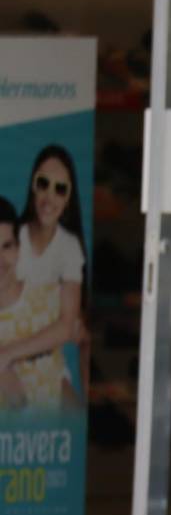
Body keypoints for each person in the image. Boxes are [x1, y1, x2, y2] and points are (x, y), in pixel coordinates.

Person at [8, 145, 87, 391]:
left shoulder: (70, 247)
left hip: (46, 366)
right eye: (43, 183)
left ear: (69, 198)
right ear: (33, 185)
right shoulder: (10, 241)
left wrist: (8, 353)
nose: (49, 197)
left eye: (60, 189)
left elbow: (67, 327)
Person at [0, 198, 74, 409]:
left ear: (19, 248)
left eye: (6, 246)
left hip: (56, 436)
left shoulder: (50, 298)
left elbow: (77, 336)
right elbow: (18, 403)